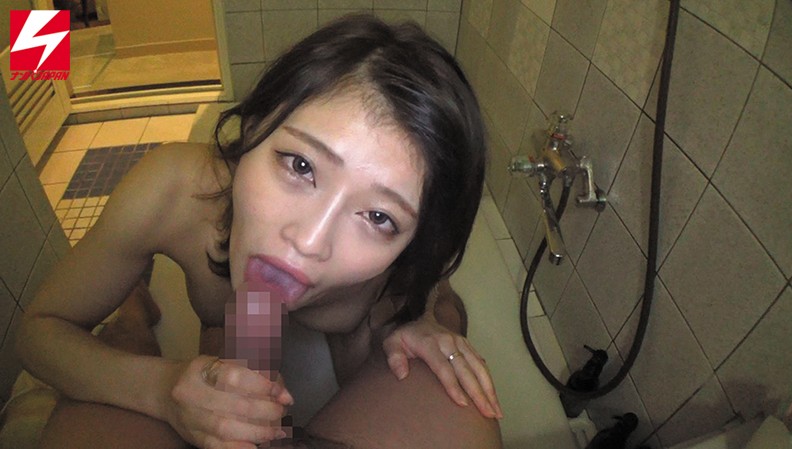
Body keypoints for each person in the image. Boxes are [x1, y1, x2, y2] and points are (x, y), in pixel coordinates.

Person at [16, 14, 501, 449]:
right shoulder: (173, 190)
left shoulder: (392, 279)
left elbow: (432, 288)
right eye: (300, 165)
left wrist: (427, 319)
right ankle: (132, 320)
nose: (308, 242)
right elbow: (37, 334)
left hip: (328, 321)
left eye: (378, 217)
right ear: (252, 126)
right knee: (152, 340)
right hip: (231, 323)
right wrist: (161, 389)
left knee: (431, 345)